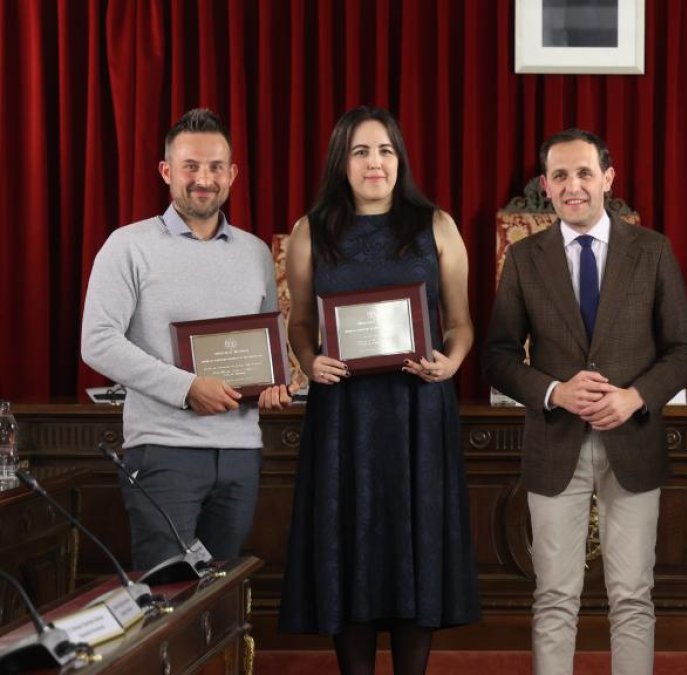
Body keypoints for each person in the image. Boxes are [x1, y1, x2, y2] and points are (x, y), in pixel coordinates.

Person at [483, 129, 687, 675]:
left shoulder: (651, 250)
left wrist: (635, 397)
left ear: (608, 177)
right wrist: (554, 391)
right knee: (555, 596)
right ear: (545, 186)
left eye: (584, 173)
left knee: (632, 596)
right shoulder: (525, 258)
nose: (572, 186)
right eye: (560, 176)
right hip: (555, 446)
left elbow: (685, 351)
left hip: (634, 442)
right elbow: (499, 357)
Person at [278, 107, 479, 674]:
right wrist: (310, 362)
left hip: (418, 411)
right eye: (362, 151)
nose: (375, 163)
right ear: (342, 161)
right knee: (349, 544)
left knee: (416, 544)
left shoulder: (435, 224)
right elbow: (298, 325)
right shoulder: (309, 230)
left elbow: (461, 324)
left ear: (400, 159)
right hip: (343, 415)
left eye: (385, 150)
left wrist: (451, 362)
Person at [81, 108, 293, 571]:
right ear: (166, 172)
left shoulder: (256, 253)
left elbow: (265, 352)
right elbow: (97, 340)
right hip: (162, 450)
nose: (204, 178)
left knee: (220, 597)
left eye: (216, 167)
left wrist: (272, 389)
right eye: (190, 166)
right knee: (167, 596)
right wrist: (187, 388)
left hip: (240, 453)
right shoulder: (128, 246)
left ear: (232, 174)